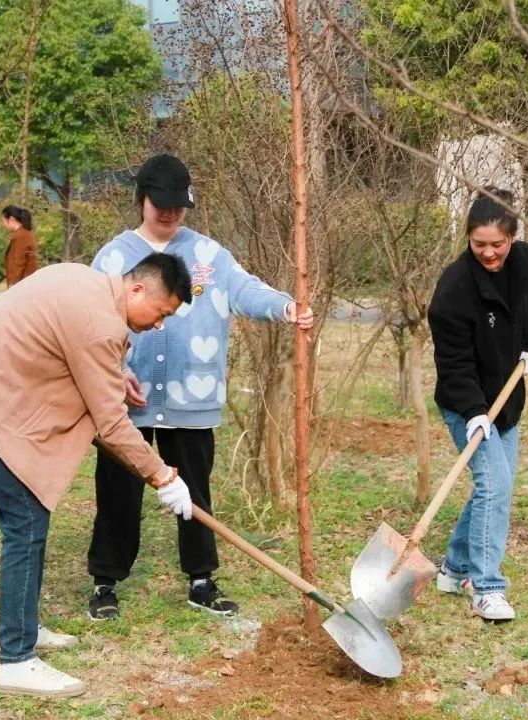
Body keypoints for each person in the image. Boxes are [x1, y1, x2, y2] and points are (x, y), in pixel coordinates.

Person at [0, 254, 195, 698]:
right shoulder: (100, 325)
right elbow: (110, 422)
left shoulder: (81, 279)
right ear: (138, 290)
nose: (158, 324)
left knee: (27, 517)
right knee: (26, 521)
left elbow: (69, 348)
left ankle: (23, 625)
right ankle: (17, 659)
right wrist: (163, 477)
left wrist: (115, 372)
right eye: (161, 313)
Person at [85, 154, 315, 621]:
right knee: (117, 491)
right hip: (126, 400)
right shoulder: (113, 257)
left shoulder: (209, 255)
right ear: (141, 200)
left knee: (194, 491)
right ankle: (105, 580)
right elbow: (88, 320)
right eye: (160, 205)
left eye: (178, 206)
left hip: (194, 398)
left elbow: (246, 290)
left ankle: (201, 578)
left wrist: (286, 307)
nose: (169, 214)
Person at [427, 187, 528, 622]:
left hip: (508, 396)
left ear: (513, 237)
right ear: (468, 239)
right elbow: (453, 363)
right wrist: (475, 412)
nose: (489, 252)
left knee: (496, 486)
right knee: (493, 485)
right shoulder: (454, 288)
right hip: (466, 403)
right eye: (479, 244)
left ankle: (453, 568)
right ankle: (486, 587)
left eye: (497, 244)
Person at [2, 205, 40, 287]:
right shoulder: (26, 234)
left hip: (23, 285)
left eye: (4, 221)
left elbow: (19, 263)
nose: (4, 224)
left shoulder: (21, 236)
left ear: (11, 219)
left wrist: (13, 285)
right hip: (27, 283)